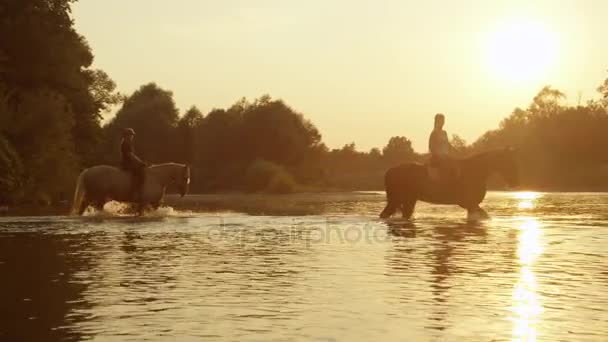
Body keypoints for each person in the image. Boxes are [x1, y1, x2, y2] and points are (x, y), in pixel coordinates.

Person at [120, 128, 147, 212]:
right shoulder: (126, 144)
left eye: (132, 135)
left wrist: (140, 162)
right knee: (140, 172)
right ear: (126, 136)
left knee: (141, 168)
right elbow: (130, 155)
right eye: (130, 135)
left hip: (129, 162)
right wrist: (140, 162)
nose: (132, 136)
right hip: (127, 164)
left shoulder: (127, 143)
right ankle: (135, 191)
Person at [428, 113, 455, 182]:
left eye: (443, 120)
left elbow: (447, 144)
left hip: (446, 156)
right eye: (441, 120)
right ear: (437, 121)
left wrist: (455, 150)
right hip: (437, 158)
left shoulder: (444, 132)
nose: (443, 122)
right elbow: (431, 146)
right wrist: (439, 156)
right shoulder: (434, 133)